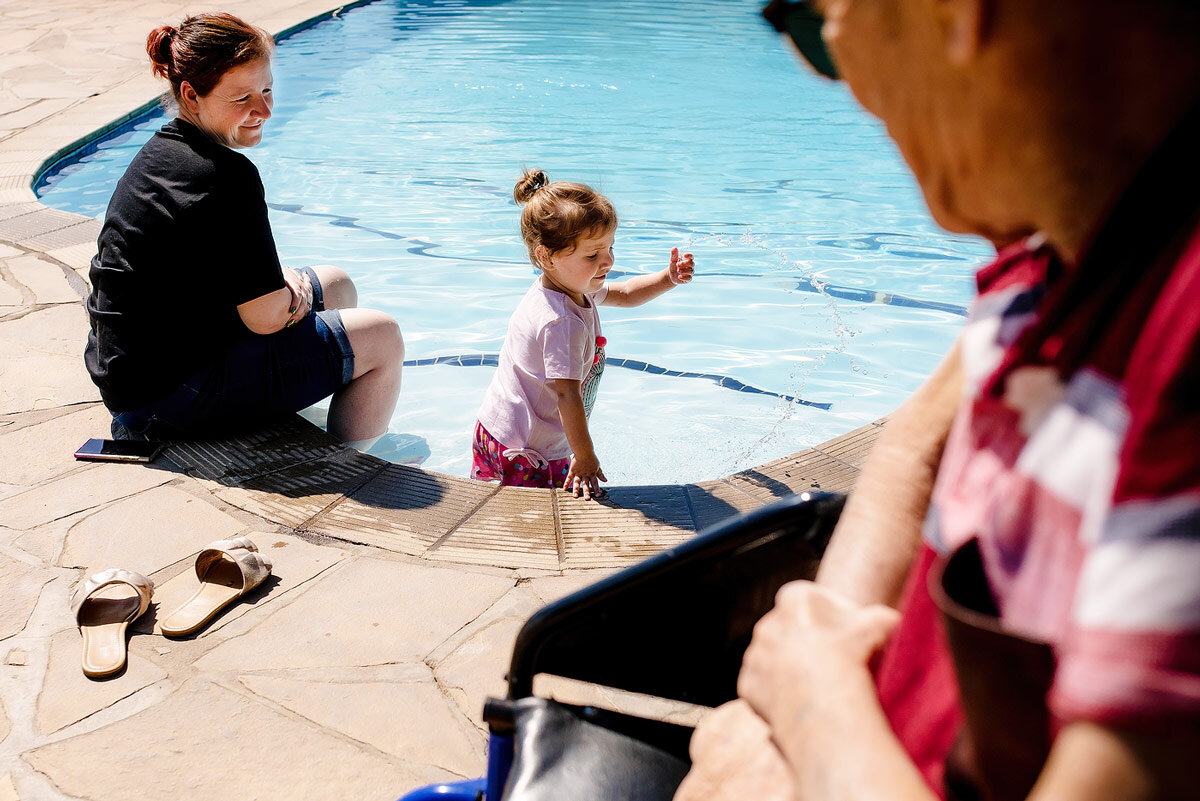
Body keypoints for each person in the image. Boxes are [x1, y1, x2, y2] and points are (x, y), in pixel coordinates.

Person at [677, 1, 1200, 799]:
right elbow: (918, 444)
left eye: (815, 26)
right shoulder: (1060, 252)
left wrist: (815, 707)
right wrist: (787, 713)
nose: (840, 85)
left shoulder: (1181, 327)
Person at [85, 12, 403, 450]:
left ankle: (294, 427)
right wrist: (289, 291)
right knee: (382, 336)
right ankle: (353, 465)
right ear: (191, 95)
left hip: (136, 381)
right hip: (166, 401)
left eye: (267, 90)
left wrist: (285, 287)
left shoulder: (162, 154)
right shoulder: (225, 177)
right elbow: (267, 316)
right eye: (242, 98)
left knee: (337, 284)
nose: (265, 110)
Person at [471, 170, 695, 498]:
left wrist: (668, 277)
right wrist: (585, 456)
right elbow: (567, 395)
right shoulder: (561, 322)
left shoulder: (569, 286)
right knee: (538, 524)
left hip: (496, 429)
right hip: (529, 454)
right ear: (546, 256)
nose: (608, 261)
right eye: (592, 255)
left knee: (489, 507)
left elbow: (627, 293)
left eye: (609, 248)